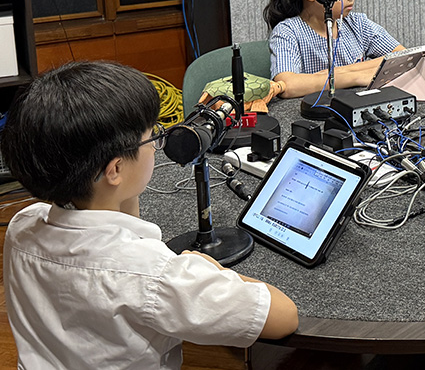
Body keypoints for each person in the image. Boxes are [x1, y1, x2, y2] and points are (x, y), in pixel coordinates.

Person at [1, 61, 299, 370]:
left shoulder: (23, 225)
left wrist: (125, 185)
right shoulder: (155, 275)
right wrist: (209, 269)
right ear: (115, 169)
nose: (158, 145)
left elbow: (123, 226)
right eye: (152, 136)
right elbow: (283, 317)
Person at [264, 0, 405, 98]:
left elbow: (404, 58)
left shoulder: (358, 24)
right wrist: (355, 76)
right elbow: (286, 85)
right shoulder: (288, 32)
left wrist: (335, 73)